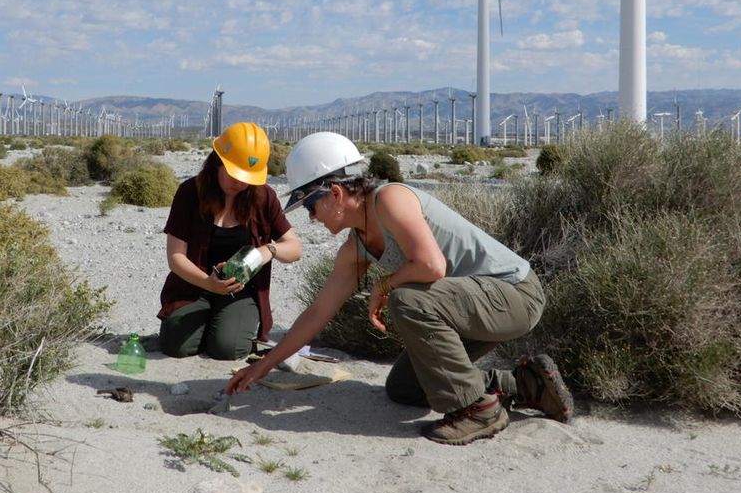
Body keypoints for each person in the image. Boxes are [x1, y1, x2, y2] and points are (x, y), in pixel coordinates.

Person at [227, 131, 573, 446]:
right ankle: (526, 384)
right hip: (474, 307)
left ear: (334, 193)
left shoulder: (390, 199)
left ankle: (478, 409)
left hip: (514, 295)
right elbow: (319, 313)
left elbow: (431, 266)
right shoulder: (355, 247)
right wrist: (264, 366)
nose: (312, 217)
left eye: (309, 206)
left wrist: (384, 284)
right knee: (405, 388)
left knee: (407, 300)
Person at [158, 122, 302, 361]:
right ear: (218, 161)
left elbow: (295, 248)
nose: (240, 183)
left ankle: (225, 323)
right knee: (176, 346)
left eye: (247, 177)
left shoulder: (263, 196)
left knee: (228, 348)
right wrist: (209, 283)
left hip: (241, 292)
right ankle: (209, 319)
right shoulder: (189, 193)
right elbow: (176, 257)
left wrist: (269, 250)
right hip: (194, 286)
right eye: (235, 173)